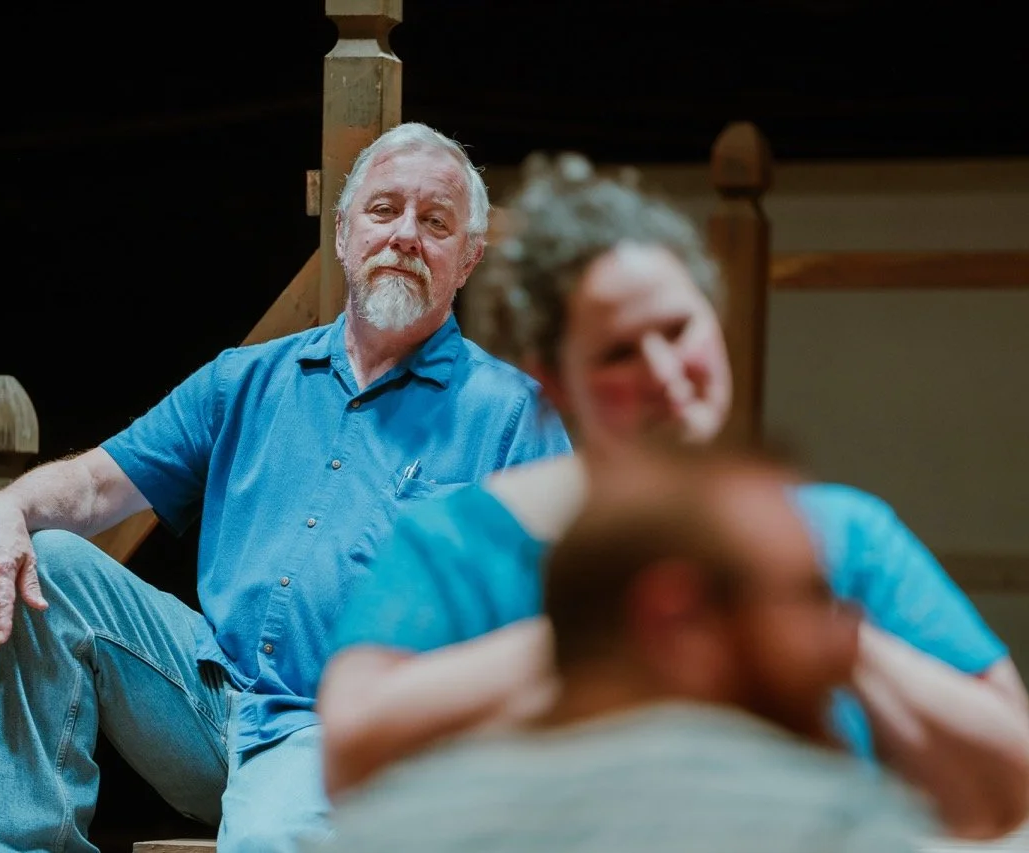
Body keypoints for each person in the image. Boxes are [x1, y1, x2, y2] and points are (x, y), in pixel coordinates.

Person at [318, 153, 1029, 840]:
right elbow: (351, 758)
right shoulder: (461, 542)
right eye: (618, 353)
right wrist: (606, 639)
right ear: (555, 382)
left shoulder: (837, 535)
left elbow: (1011, 771)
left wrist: (807, 623)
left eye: (678, 329)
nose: (663, 372)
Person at [0, 122, 572, 853]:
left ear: (466, 259)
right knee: (52, 564)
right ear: (343, 235)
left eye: (435, 222)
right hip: (209, 701)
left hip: (349, 735)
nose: (406, 234)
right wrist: (6, 505)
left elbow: (555, 626)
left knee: (271, 836)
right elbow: (94, 486)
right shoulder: (244, 379)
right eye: (383, 211)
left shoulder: (512, 416)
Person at [313, 444, 935, 853]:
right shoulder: (845, 832)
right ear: (675, 620)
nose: (841, 637)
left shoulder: (383, 836)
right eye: (807, 596)